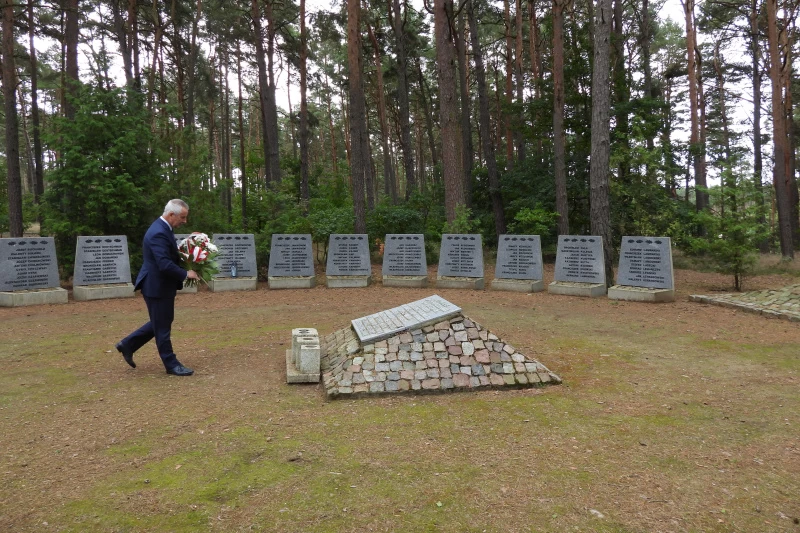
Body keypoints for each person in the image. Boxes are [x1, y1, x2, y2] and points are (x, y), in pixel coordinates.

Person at [115, 199, 200, 376]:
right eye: (182, 217)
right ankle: (171, 364)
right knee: (162, 326)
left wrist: (189, 241)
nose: (184, 221)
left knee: (161, 321)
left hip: (159, 285)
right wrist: (186, 274)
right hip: (156, 286)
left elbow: (170, 251)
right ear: (171, 215)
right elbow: (164, 264)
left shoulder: (164, 229)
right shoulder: (158, 232)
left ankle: (128, 344)